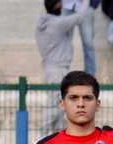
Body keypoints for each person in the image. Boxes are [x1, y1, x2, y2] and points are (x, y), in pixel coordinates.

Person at [36, 0, 93, 134]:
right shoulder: (57, 23)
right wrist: (86, 2)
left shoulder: (41, 25)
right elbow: (79, 17)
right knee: (53, 105)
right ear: (57, 6)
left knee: (59, 106)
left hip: (49, 68)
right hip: (58, 69)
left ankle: (56, 137)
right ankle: (41, 137)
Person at [63, 0, 97, 76]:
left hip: (86, 5)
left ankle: (90, 75)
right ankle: (62, 74)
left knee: (88, 43)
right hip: (65, 5)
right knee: (63, 42)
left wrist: (93, 4)